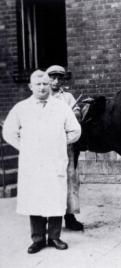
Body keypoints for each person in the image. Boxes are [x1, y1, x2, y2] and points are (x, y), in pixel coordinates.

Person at [2, 70, 81, 253]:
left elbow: (75, 131)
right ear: (30, 86)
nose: (42, 87)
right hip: (33, 162)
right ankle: (37, 239)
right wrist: (25, 147)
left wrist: (59, 143)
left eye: (45, 83)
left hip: (55, 160)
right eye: (38, 84)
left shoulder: (61, 107)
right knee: (35, 198)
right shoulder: (21, 108)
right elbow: (8, 132)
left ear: (49, 86)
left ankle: (54, 237)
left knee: (55, 197)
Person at [46, 65, 84, 231]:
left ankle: (70, 217)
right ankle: (48, 219)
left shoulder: (67, 97)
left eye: (59, 78)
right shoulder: (42, 96)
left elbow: (77, 113)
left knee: (70, 179)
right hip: (47, 147)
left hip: (67, 145)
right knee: (50, 181)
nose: (56, 81)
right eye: (52, 77)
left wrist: (72, 115)